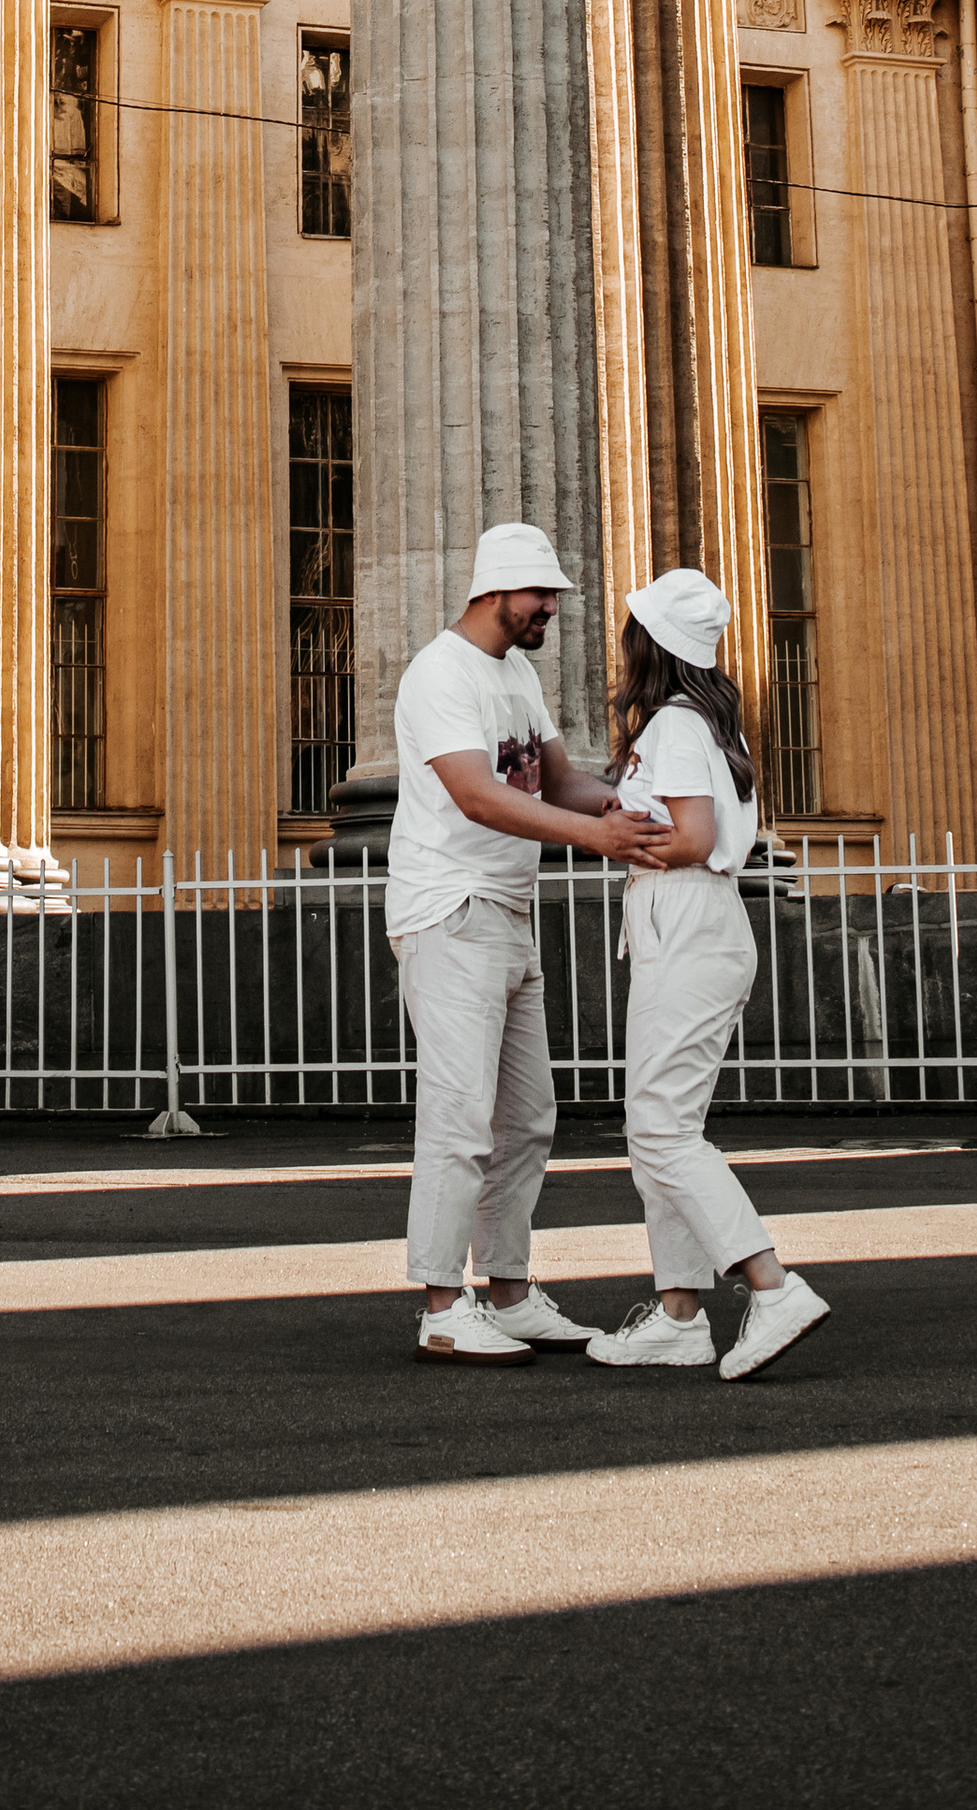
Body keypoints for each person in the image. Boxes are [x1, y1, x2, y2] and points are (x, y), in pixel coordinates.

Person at [388, 520, 668, 1363]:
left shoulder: (513, 673)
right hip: (449, 910)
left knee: (527, 1120)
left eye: (554, 596)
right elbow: (476, 796)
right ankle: (443, 1306)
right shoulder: (439, 674)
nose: (553, 609)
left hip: (508, 909)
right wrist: (595, 840)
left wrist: (628, 804)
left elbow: (561, 781)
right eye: (542, 595)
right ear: (495, 592)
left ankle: (506, 1293)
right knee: (459, 1119)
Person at [586, 566, 831, 1380]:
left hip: (686, 917)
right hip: (696, 925)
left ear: (650, 644)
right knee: (659, 1127)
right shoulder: (708, 725)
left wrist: (613, 835)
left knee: (659, 1128)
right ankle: (679, 1317)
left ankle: (772, 1286)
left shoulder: (673, 727)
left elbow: (689, 838)